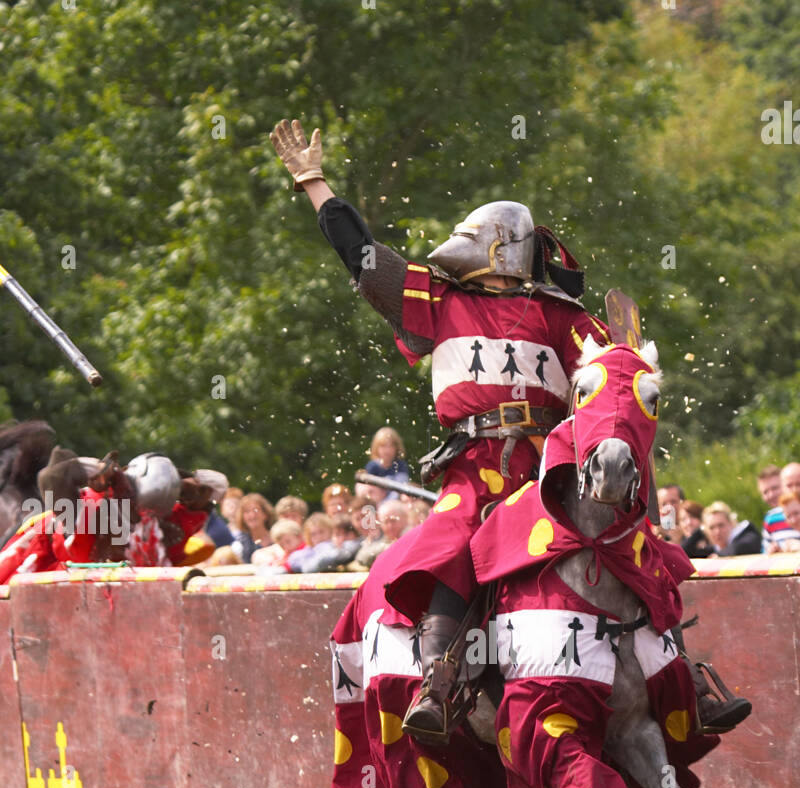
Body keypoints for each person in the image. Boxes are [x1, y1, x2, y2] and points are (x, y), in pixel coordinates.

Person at [271, 117, 613, 743]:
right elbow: (364, 256)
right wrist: (315, 183)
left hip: (550, 467)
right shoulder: (440, 300)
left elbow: (613, 381)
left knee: (621, 535)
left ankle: (680, 675)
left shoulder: (562, 315)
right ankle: (439, 677)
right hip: (475, 466)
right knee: (454, 538)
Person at [231, 492, 274, 562]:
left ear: (265, 514)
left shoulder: (277, 538)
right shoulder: (239, 542)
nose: (252, 515)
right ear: (242, 517)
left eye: (255, 510)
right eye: (247, 511)